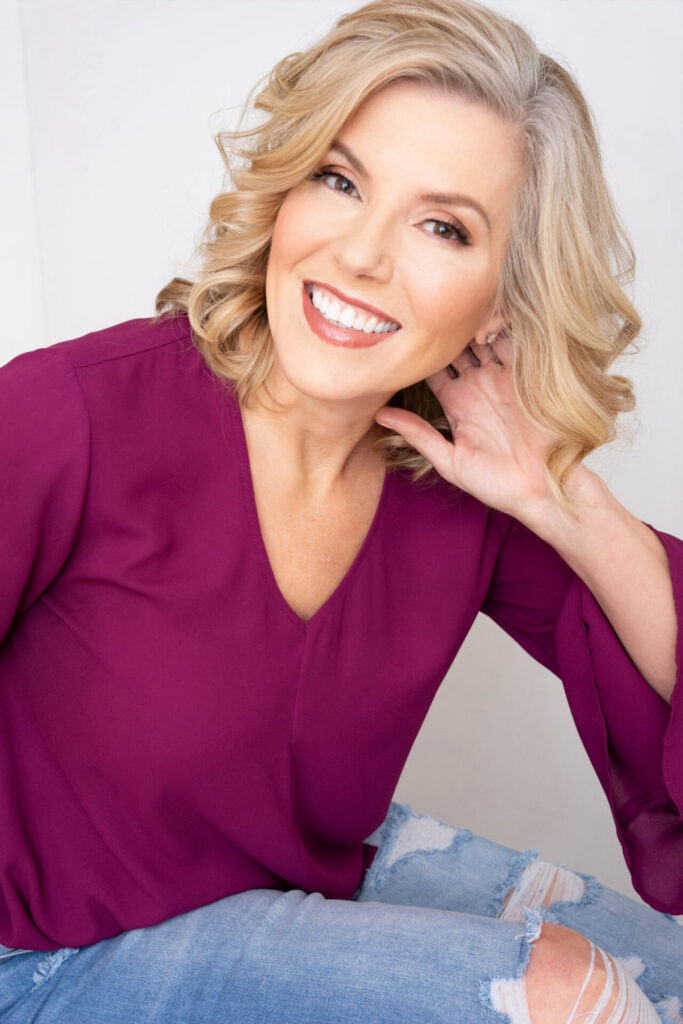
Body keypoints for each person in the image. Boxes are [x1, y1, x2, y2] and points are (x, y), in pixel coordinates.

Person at [0, 0, 681, 1020]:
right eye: (339, 179)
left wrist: (559, 494)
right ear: (285, 190)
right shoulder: (66, 414)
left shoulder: (457, 480)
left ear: (501, 298)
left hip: (287, 883)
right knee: (565, 995)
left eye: (441, 226)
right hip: (44, 955)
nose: (362, 254)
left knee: (667, 974)